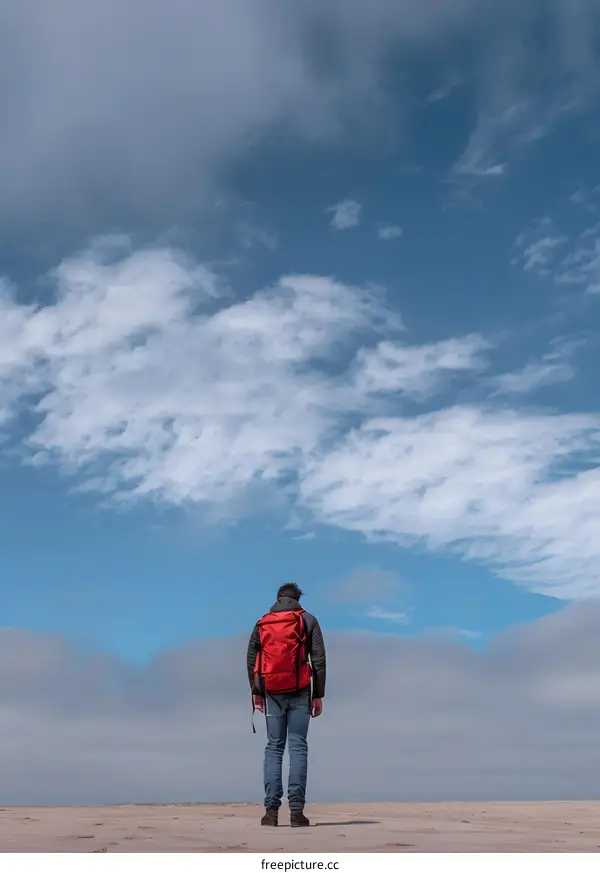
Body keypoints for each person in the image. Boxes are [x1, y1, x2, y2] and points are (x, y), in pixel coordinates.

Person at [247, 582, 326, 827]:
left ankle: (271, 813)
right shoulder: (308, 620)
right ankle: (296, 811)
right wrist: (318, 695)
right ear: (298, 599)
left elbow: (252, 658)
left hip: (271, 692)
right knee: (298, 747)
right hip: (301, 690)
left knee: (274, 747)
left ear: (278, 598)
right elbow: (319, 659)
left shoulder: (263, 622)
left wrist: (256, 691)